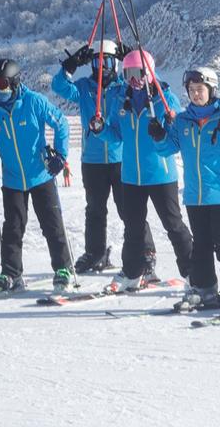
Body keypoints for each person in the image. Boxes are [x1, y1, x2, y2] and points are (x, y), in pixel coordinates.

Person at [151, 65, 220, 315]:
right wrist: (159, 136)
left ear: (211, 90)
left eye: (200, 89)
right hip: (195, 195)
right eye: (192, 90)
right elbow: (167, 149)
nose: (195, 94)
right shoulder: (183, 120)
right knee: (201, 244)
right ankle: (205, 288)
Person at [51, 37, 153, 274]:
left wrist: (136, 61)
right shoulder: (85, 88)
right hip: (93, 160)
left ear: (115, 64)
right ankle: (95, 253)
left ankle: (145, 252)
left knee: (128, 209)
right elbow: (59, 87)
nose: (103, 67)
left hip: (120, 159)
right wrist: (70, 66)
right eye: (97, 63)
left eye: (107, 61)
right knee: (95, 209)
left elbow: (150, 85)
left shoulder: (123, 88)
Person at [0, 57, 75, 292]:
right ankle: (11, 273)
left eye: (1, 84)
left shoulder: (34, 102)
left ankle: (64, 269)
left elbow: (61, 123)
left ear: (14, 82)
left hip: (40, 175)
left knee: (52, 224)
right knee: (12, 227)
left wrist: (60, 156)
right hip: (12, 179)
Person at [103, 49, 192, 290]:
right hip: (131, 176)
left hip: (161, 174)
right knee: (133, 227)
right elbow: (116, 135)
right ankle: (133, 272)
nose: (134, 80)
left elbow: (176, 136)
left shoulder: (164, 99)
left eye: (139, 73)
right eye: (129, 74)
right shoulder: (122, 100)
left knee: (173, 225)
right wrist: (100, 129)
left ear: (150, 73)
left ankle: (194, 272)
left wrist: (164, 131)